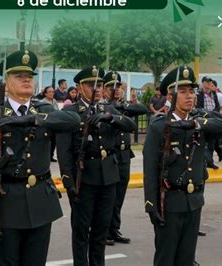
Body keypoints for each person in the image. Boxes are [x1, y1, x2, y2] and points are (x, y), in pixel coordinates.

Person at [0, 50, 80, 265]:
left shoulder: (44, 110)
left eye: (29, 76)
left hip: (41, 203)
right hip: (6, 204)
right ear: (6, 81)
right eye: (19, 76)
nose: (26, 80)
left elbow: (73, 121)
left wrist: (32, 120)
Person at [144, 66, 222, 266]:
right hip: (170, 203)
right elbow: (150, 170)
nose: (189, 96)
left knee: (186, 258)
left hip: (194, 202)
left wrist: (197, 124)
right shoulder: (160, 127)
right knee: (166, 258)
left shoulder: (198, 122)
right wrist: (151, 205)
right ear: (170, 95)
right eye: (183, 92)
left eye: (192, 91)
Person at [57, 66, 137, 266]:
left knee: (101, 230)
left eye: (99, 85)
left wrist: (112, 118)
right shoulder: (70, 112)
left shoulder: (107, 109)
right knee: (81, 230)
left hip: (109, 177)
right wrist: (68, 182)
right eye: (91, 85)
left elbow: (130, 125)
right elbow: (64, 152)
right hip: (83, 179)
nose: (96, 88)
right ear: (79, 87)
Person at [102, 71, 147, 246]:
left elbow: (142, 109)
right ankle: (104, 230)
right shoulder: (103, 108)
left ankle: (114, 229)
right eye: (111, 87)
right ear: (105, 90)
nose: (116, 90)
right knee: (109, 197)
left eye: (118, 87)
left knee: (119, 195)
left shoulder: (124, 107)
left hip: (124, 155)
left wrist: (121, 108)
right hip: (111, 156)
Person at [196, 76, 221, 169]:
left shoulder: (214, 94)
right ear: (203, 83)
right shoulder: (199, 94)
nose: (209, 84)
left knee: (212, 142)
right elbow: (198, 107)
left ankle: (210, 161)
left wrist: (215, 114)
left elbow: (217, 106)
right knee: (203, 142)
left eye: (210, 82)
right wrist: (206, 114)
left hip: (213, 119)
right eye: (207, 82)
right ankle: (203, 162)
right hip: (203, 120)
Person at [41, 86, 60, 162]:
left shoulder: (54, 101)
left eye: (53, 92)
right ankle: (44, 156)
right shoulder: (42, 102)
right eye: (50, 92)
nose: (52, 93)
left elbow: (57, 111)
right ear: (45, 93)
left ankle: (51, 156)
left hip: (54, 124)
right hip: (46, 124)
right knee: (45, 141)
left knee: (53, 141)